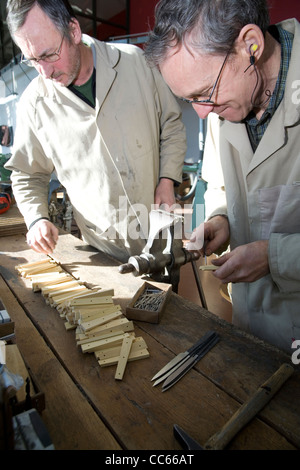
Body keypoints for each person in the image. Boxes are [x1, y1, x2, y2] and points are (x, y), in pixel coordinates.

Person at [144, 0, 300, 354]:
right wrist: (221, 218)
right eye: (189, 100)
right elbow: (222, 184)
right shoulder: (223, 107)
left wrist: (275, 256)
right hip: (253, 329)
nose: (201, 112)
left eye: (204, 93)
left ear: (251, 45)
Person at [5, 0, 186, 263]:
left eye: (48, 54)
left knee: (172, 302)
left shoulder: (135, 63)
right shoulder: (34, 105)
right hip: (104, 252)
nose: (45, 71)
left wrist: (168, 180)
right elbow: (26, 174)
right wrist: (36, 218)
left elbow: (171, 124)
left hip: (161, 237)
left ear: (74, 31)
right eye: (32, 60)